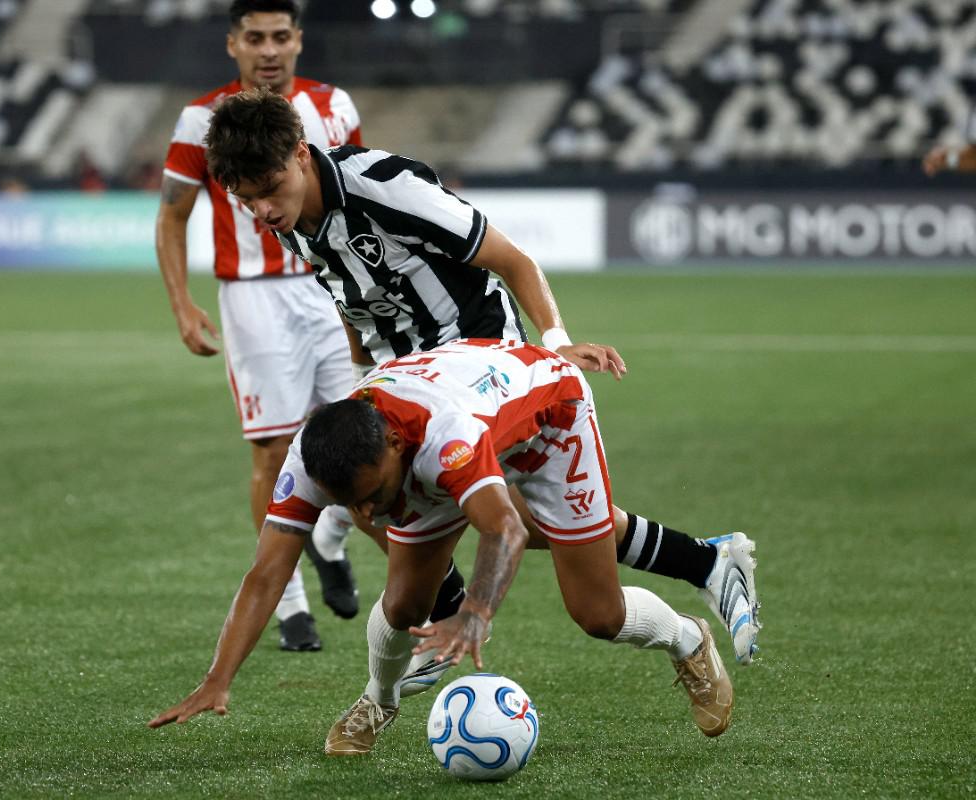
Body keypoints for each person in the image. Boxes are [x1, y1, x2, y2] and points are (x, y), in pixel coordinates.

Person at [199, 87, 760, 672]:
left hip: (478, 362)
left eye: (269, 190)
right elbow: (350, 296)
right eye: (246, 199)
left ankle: (444, 616)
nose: (262, 210)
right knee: (484, 512)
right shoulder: (289, 215)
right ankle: (702, 563)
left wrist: (556, 342)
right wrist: (362, 377)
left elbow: (512, 259)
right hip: (400, 377)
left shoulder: (387, 187)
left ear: (300, 153)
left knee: (477, 515)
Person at [148, 339, 736, 750]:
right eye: (350, 504)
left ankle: (688, 639)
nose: (366, 515)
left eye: (371, 496)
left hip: (553, 419)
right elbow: (265, 573)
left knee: (597, 613)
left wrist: (475, 612)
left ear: (394, 448)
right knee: (405, 604)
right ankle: (380, 699)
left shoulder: (441, 437)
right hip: (458, 421)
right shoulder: (314, 457)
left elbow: (503, 528)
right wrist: (218, 677)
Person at [156, 0, 369, 651]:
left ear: (299, 39)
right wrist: (182, 303)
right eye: (255, 38)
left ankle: (329, 540)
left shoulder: (333, 107)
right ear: (233, 44)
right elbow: (172, 215)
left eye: (280, 36)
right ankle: (291, 605)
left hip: (330, 290)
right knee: (274, 452)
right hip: (253, 301)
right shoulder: (201, 119)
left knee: (365, 437)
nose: (268, 50)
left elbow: (361, 194)